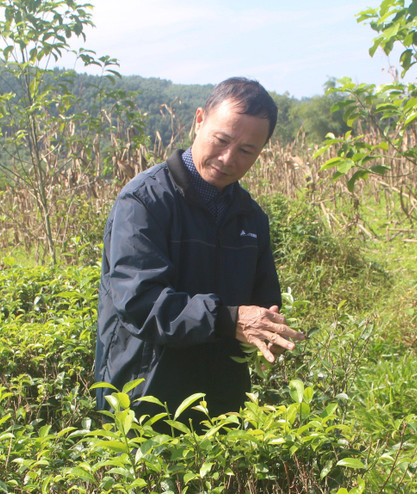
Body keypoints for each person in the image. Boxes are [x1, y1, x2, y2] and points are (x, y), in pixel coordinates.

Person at [94, 77, 305, 427]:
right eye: (221, 140)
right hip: (144, 395)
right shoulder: (144, 201)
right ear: (199, 120)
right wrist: (229, 319)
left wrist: (270, 330)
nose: (227, 158)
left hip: (221, 398)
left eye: (246, 151)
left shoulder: (250, 217)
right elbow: (140, 303)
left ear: (262, 151)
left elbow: (263, 297)